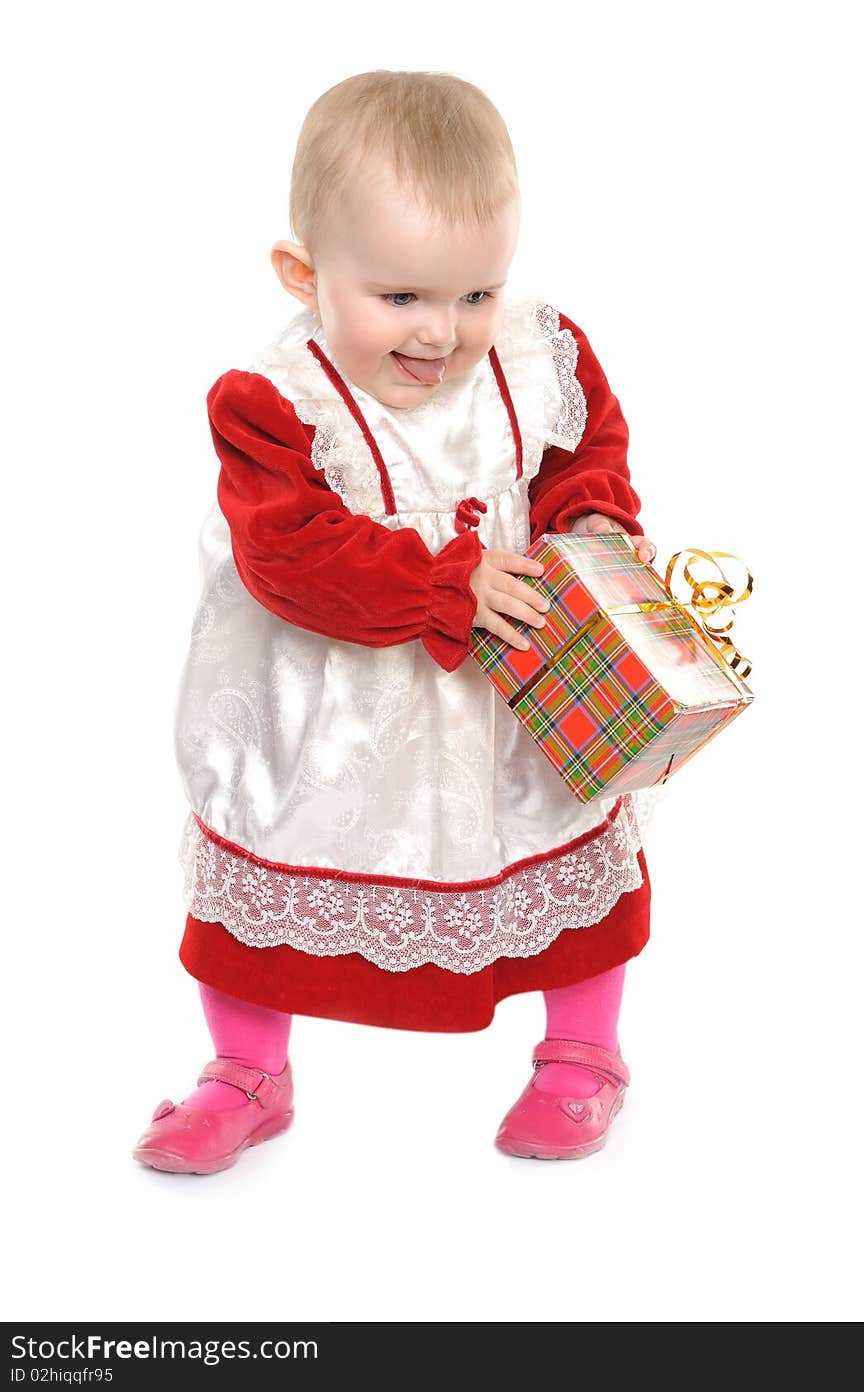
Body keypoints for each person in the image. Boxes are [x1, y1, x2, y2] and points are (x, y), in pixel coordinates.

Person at [132, 70, 660, 1175]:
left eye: (475, 295)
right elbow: (289, 554)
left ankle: (582, 1054)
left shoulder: (536, 356)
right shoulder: (275, 402)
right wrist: (440, 586)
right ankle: (245, 1073)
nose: (443, 332)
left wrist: (594, 534)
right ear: (303, 274)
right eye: (402, 298)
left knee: (560, 845)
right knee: (265, 871)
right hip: (326, 703)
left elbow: (581, 459)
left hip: (510, 682)